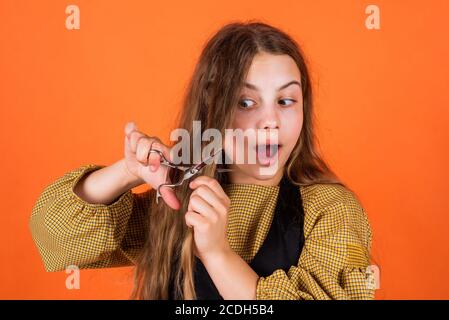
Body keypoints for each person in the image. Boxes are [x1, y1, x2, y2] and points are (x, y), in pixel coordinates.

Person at [29, 21, 375, 300]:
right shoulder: (176, 201)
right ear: (213, 109)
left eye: (285, 101)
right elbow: (58, 241)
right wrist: (126, 172)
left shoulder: (330, 209)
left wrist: (217, 254)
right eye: (246, 102)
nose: (270, 121)